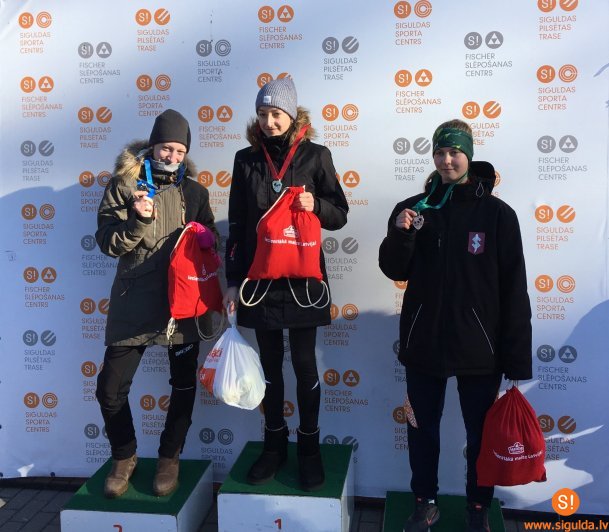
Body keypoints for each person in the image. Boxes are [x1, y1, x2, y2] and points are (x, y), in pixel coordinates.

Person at [378, 119, 532, 532]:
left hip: (480, 349)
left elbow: (514, 288)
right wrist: (402, 234)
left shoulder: (497, 214)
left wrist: (517, 360)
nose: (447, 160)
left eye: (455, 152)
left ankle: (478, 508)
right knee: (421, 430)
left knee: (480, 436)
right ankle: (424, 503)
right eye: (440, 153)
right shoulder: (415, 208)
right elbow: (394, 268)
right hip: (423, 344)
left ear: (469, 154)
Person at [223, 78, 348, 491]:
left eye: (276, 114)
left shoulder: (316, 155)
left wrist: (318, 204)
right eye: (262, 114)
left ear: (292, 116)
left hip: (302, 283)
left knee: (305, 365)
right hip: (260, 282)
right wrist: (232, 281)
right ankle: (274, 446)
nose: (269, 122)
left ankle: (309, 451)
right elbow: (237, 226)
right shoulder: (245, 160)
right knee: (270, 367)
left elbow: (340, 214)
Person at [95, 109, 218, 498]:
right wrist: (138, 220)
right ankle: (124, 456)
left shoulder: (195, 192)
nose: (173, 157)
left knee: (183, 385)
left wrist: (207, 237)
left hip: (181, 303)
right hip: (133, 300)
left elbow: (211, 238)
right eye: (167, 148)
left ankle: (169, 457)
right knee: (109, 389)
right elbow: (107, 243)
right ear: (153, 146)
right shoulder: (124, 185)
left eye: (180, 151)